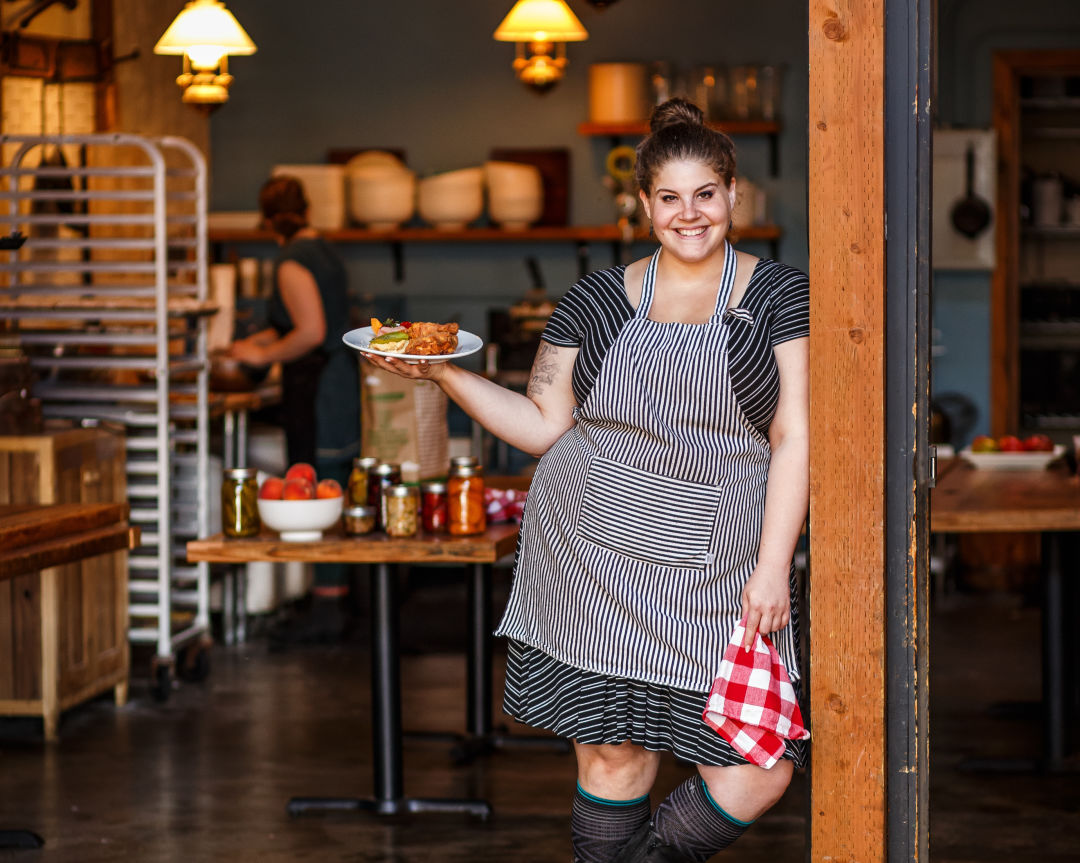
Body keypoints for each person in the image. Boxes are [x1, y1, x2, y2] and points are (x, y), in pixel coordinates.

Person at [364, 98, 809, 863]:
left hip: (719, 566)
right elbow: (543, 423)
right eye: (669, 198)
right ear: (645, 206)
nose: (690, 214)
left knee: (757, 765)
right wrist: (441, 374)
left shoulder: (776, 296)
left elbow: (793, 431)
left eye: (706, 193)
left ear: (733, 193)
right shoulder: (596, 301)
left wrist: (775, 566)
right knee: (612, 756)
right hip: (593, 553)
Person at [230, 175, 360, 642]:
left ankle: (327, 612)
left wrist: (261, 356)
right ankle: (338, 597)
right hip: (340, 378)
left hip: (317, 385)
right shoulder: (325, 252)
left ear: (267, 220)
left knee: (316, 485)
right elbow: (297, 324)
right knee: (336, 481)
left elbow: (308, 331)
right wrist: (254, 342)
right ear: (305, 209)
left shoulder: (289, 263)